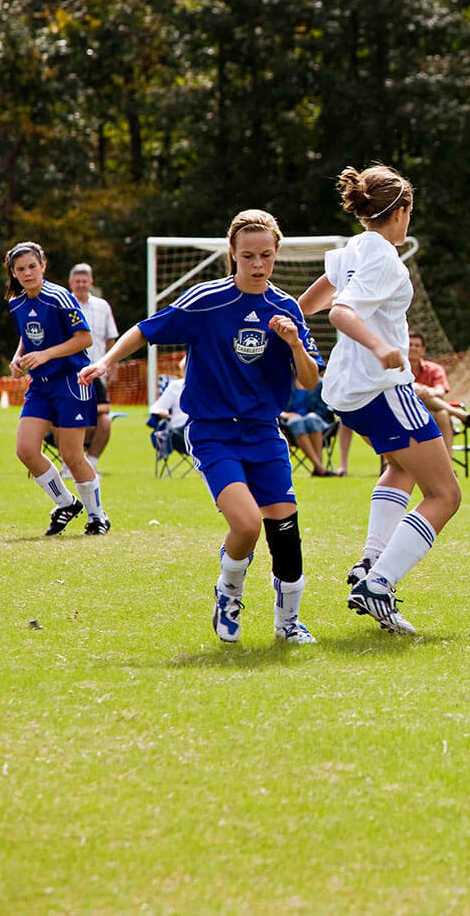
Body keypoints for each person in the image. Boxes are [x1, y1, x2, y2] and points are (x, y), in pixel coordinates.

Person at [82, 211, 323, 642]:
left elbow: (309, 380)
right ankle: (228, 594)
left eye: (265, 255)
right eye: (247, 255)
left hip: (264, 433)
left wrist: (292, 343)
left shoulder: (286, 309)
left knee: (285, 533)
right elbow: (144, 329)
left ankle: (288, 625)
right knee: (248, 524)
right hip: (213, 432)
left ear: (276, 255)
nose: (257, 264)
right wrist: (105, 361)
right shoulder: (206, 299)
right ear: (231, 253)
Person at [300, 165, 463, 636]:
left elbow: (312, 301)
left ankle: (368, 565)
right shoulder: (385, 259)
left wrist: (281, 315)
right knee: (446, 495)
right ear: (403, 210)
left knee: (401, 468)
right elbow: (340, 310)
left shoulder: (355, 247)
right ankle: (378, 584)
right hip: (381, 386)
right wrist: (380, 347)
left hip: (348, 393)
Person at [5, 242, 107, 536]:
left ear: (43, 266)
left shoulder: (60, 297)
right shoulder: (17, 303)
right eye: (20, 269)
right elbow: (28, 338)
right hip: (40, 385)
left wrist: (47, 355)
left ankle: (97, 515)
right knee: (25, 449)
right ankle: (65, 503)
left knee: (72, 455)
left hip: (71, 383)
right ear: (13, 272)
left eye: (32, 267)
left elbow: (84, 338)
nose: (27, 273)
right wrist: (17, 358)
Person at [67, 263, 119, 470]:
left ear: (91, 283)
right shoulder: (62, 304)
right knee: (70, 415)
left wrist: (111, 367)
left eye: (84, 281)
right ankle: (69, 461)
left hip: (96, 371)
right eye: (77, 281)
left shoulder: (102, 306)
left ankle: (90, 463)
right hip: (68, 371)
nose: (81, 285)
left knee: (101, 418)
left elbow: (110, 340)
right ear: (71, 283)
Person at [407, 331, 470, 443]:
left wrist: (428, 391)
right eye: (410, 345)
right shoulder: (397, 370)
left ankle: (446, 460)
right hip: (405, 413)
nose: (413, 348)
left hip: (431, 413)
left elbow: (441, 390)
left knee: (442, 414)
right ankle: (460, 415)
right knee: (414, 389)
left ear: (423, 350)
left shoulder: (435, 369)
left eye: (417, 345)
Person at [280, 381, 339, 477]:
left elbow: (322, 411)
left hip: (317, 423)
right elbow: (278, 407)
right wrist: (287, 415)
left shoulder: (319, 384)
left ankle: (318, 466)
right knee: (297, 422)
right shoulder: (286, 383)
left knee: (311, 419)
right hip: (291, 425)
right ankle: (319, 467)